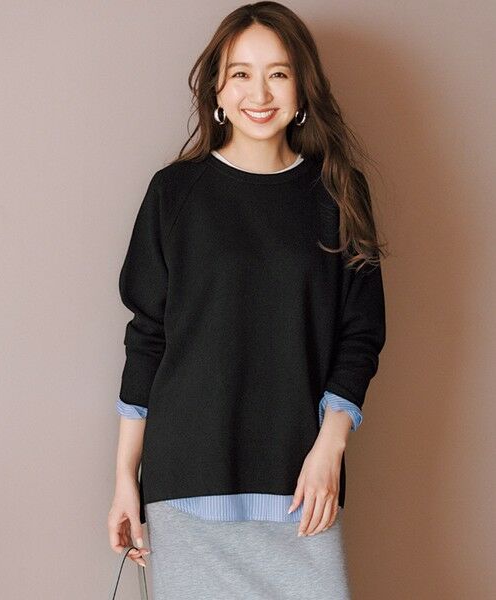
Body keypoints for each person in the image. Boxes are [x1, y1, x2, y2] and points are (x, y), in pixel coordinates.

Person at [107, 2, 387, 598]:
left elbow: (360, 335)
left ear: (302, 88)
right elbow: (147, 337)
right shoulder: (174, 194)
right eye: (240, 73)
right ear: (217, 87)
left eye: (278, 73)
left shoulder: (337, 193)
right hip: (186, 479)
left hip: (301, 480)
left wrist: (329, 450)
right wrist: (125, 478)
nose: (259, 93)